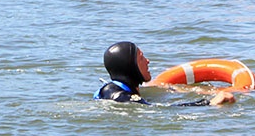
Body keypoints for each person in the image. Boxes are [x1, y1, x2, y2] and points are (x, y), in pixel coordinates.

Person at [95, 41, 235, 106]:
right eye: (141, 58)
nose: (148, 61)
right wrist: (208, 103)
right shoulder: (122, 97)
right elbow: (161, 111)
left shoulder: (115, 89)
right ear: (130, 66)